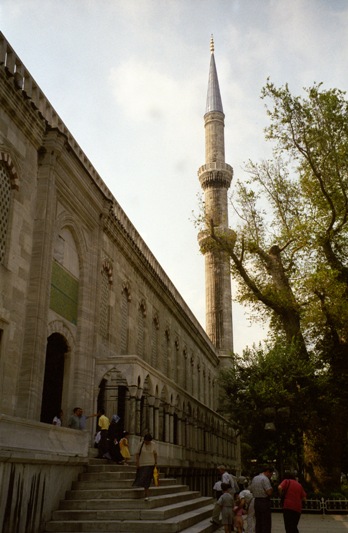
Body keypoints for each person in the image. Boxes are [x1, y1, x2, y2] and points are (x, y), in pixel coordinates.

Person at [132, 433, 158, 500]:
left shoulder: (153, 444)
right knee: (141, 476)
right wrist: (137, 463)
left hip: (150, 464)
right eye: (146, 441)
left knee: (147, 479)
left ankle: (146, 493)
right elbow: (137, 454)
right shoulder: (141, 444)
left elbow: (155, 454)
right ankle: (138, 485)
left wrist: (155, 462)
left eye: (148, 441)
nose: (147, 442)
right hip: (142, 463)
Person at [249, 466, 273, 533]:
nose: (270, 476)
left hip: (256, 501)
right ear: (268, 472)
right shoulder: (265, 479)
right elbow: (269, 492)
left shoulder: (255, 478)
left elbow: (251, 490)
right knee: (265, 522)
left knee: (258, 521)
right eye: (271, 474)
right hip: (264, 501)